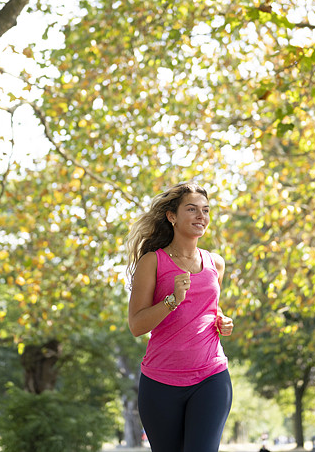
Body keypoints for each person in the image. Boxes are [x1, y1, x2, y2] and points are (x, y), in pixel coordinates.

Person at [126, 182, 234, 452]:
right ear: (171, 216)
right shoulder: (152, 262)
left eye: (205, 210)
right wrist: (172, 300)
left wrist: (223, 321)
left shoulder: (215, 263)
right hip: (161, 382)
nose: (201, 216)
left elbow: (209, 309)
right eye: (192, 209)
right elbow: (137, 325)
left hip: (211, 375)